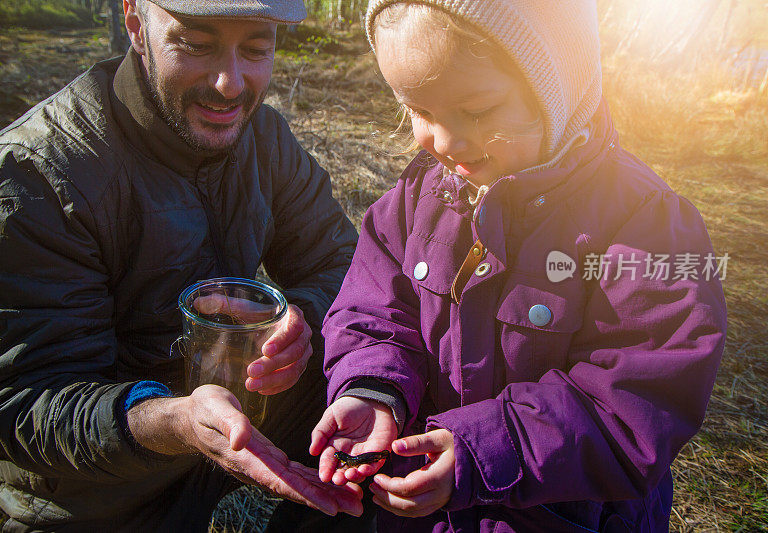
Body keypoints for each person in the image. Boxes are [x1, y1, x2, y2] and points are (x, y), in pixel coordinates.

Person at [310, 0, 728, 531]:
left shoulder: (644, 226)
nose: (444, 141)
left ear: (557, 85)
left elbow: (637, 401)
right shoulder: (420, 196)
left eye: (479, 111)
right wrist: (373, 389)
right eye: (420, 111)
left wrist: (484, 451)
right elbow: (372, 311)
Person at [0, 0, 363, 530]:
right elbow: (19, 405)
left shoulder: (264, 137)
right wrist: (175, 421)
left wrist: (302, 322)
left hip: (244, 410)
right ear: (135, 23)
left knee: (384, 395)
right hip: (96, 485)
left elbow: (343, 260)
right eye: (195, 45)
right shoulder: (28, 179)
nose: (230, 84)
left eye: (257, 49)